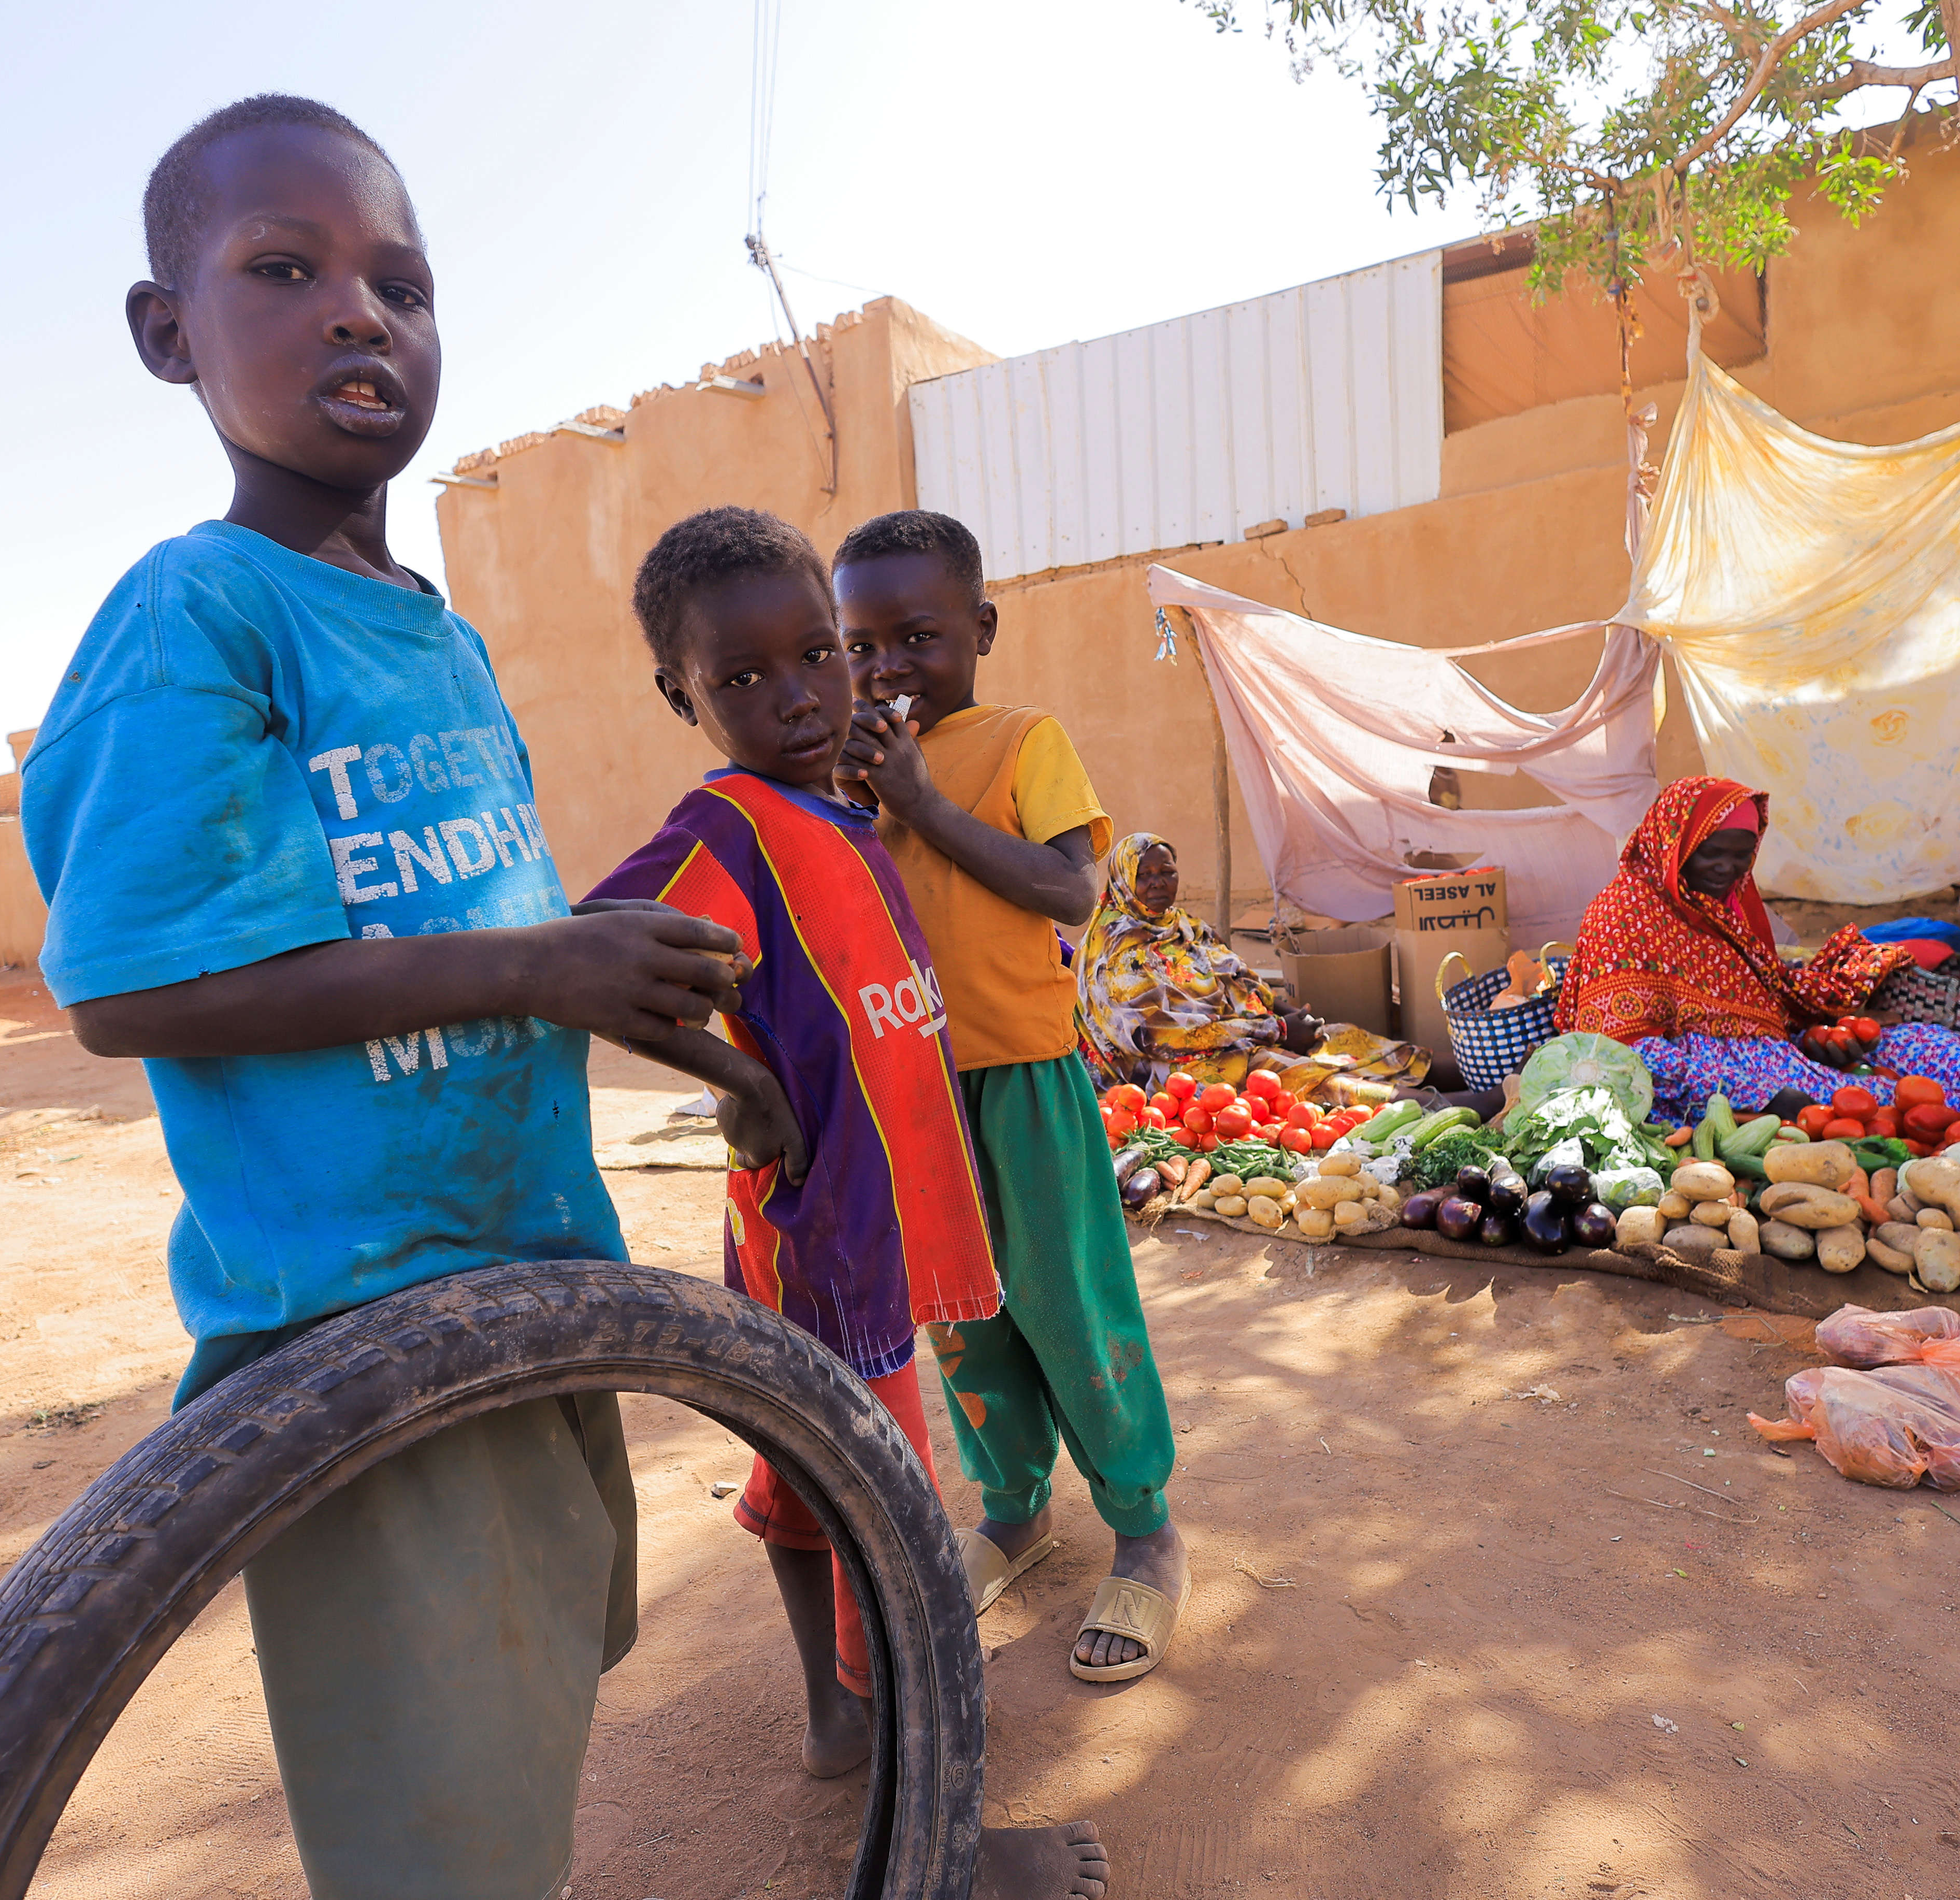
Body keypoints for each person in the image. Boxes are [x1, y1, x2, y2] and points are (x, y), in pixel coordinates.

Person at [17, 98, 768, 1898]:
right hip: (364, 1325)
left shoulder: (437, 630)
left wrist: (651, 1012)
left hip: (529, 1263)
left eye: (404, 285)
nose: (363, 313)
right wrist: (542, 961)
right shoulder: (198, 612)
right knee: (443, 1836)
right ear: (166, 332)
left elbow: (474, 927)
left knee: (516, 1753)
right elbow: (142, 983)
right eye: (287, 270)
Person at [589, 506, 1112, 1900]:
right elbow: (596, 947)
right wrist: (736, 1085)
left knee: (815, 1472)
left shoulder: (836, 812)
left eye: (816, 654)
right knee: (888, 1505)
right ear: (678, 695)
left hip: (854, 1227)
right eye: (742, 677)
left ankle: (838, 1725)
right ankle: (929, 1829)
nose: (799, 693)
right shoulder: (731, 823)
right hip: (830, 1236)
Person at [832, 510, 1190, 1687]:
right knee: (961, 1316)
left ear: (978, 630)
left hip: (1024, 1083)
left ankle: (1142, 1527)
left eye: (915, 638)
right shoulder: (847, 770)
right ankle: (1015, 1508)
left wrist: (925, 806)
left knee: (1066, 1304)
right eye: (860, 647)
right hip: (911, 1096)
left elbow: (1070, 889)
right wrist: (856, 806)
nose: (885, 669)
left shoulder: (1022, 743)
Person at [1556, 775, 1909, 1044]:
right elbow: (1617, 1047)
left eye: (1742, 855)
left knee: (1934, 1048)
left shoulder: (1722, 908)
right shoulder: (1625, 913)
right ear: (1673, 846)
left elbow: (1765, 995)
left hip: (1753, 1058)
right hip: (1678, 1081)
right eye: (1712, 853)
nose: (1728, 869)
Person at [1074, 833, 1433, 1097]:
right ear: (1122, 881)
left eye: (1167, 871)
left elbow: (1238, 977)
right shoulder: (1115, 951)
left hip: (1239, 1038)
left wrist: (1293, 1016)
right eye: (1144, 874)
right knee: (1296, 1075)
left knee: (1342, 1039)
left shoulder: (1181, 925)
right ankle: (1448, 1106)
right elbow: (1156, 1038)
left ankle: (1475, 1072)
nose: (1157, 883)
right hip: (1163, 1075)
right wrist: (1278, 1031)